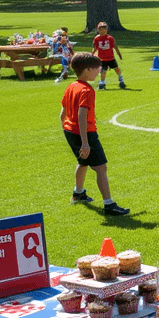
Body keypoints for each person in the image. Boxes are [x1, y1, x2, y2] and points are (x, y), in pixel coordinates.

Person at [60, 52, 129, 215]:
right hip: (86, 133)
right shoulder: (87, 90)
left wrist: (66, 128)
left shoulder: (71, 86)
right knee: (101, 168)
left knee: (83, 161)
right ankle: (109, 204)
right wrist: (85, 142)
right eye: (97, 69)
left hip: (70, 131)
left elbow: (63, 111)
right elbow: (81, 115)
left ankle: (78, 193)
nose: (99, 71)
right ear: (87, 70)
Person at [92, 21, 126, 89]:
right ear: (98, 30)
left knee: (116, 69)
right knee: (103, 71)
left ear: (106, 30)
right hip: (102, 58)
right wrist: (92, 55)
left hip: (110, 58)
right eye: (101, 30)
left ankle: (121, 79)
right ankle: (102, 82)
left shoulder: (110, 38)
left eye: (104, 30)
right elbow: (95, 48)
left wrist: (118, 53)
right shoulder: (97, 39)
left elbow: (115, 46)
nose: (103, 32)